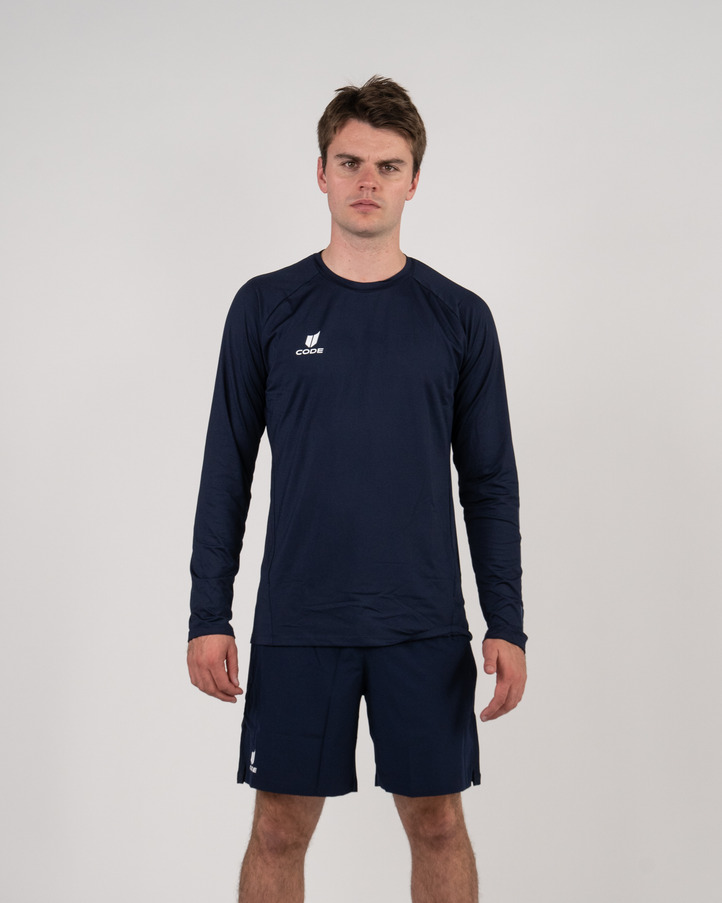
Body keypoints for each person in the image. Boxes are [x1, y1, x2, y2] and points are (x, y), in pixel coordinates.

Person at [187, 75, 527, 903]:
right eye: (350, 162)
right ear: (321, 172)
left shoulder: (460, 317)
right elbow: (227, 468)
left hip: (423, 624)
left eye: (387, 165)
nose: (367, 180)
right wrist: (208, 613)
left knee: (438, 822)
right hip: (300, 621)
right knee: (278, 827)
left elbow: (488, 482)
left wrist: (506, 620)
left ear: (414, 180)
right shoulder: (265, 307)